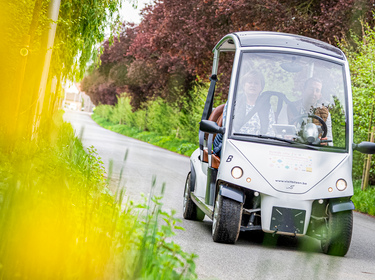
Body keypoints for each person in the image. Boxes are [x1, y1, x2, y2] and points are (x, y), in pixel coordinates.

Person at [213, 70, 275, 156]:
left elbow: (271, 131)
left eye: (256, 83)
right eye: (250, 82)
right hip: (234, 146)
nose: (252, 85)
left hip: (259, 148)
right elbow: (227, 125)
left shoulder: (267, 107)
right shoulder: (233, 103)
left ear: (261, 87)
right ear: (244, 85)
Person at [287, 77, 333, 145]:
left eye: (317, 90)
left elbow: (329, 141)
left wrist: (325, 143)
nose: (313, 93)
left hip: (314, 150)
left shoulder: (325, 113)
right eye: (311, 89)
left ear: (320, 95)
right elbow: (280, 132)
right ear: (304, 90)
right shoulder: (289, 108)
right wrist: (286, 137)